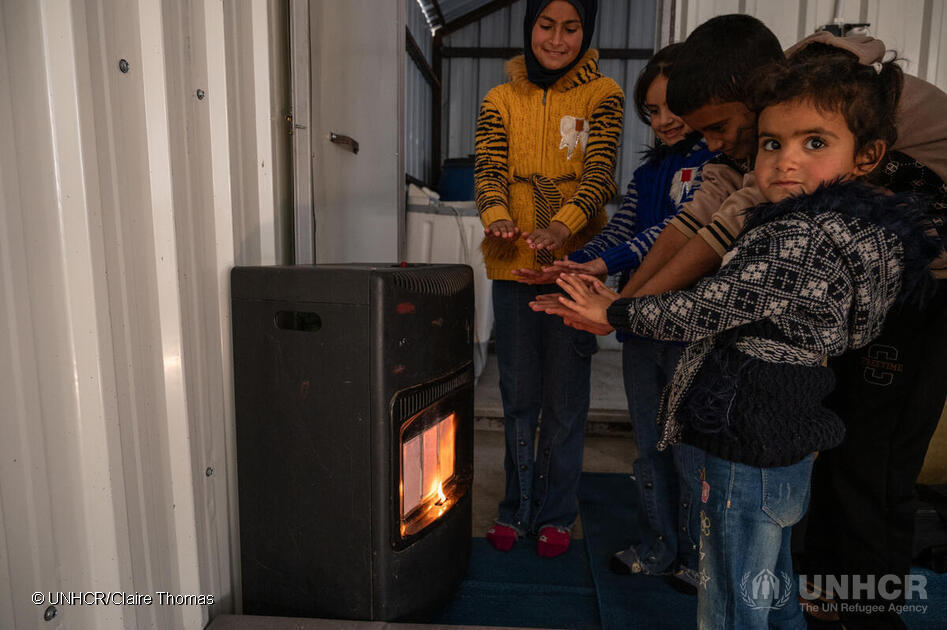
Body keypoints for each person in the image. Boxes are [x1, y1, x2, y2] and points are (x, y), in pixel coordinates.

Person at [542, 50, 941, 629]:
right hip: (785, 437)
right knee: (770, 585)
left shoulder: (802, 238)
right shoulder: (855, 231)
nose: (786, 162)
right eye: (772, 144)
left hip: (747, 439)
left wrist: (620, 312)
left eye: (814, 143)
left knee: (730, 598)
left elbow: (709, 306)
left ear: (868, 156)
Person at [516, 42, 716, 590]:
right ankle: (659, 546)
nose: (664, 120)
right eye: (651, 111)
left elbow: (672, 233)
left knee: (690, 448)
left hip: (688, 322)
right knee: (649, 441)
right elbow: (625, 228)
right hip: (638, 320)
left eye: (673, 106)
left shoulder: (716, 164)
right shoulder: (651, 170)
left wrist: (602, 264)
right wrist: (572, 263)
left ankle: (700, 559)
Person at [475, 0, 623, 558]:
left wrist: (563, 231)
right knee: (518, 398)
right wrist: (499, 220)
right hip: (511, 265)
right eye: (546, 25)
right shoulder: (500, 99)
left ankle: (557, 511)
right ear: (529, 27)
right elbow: (488, 169)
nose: (557, 39)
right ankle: (515, 506)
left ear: (586, 32)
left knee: (565, 400)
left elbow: (600, 175)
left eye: (571, 28)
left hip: (572, 271)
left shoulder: (602, 95)